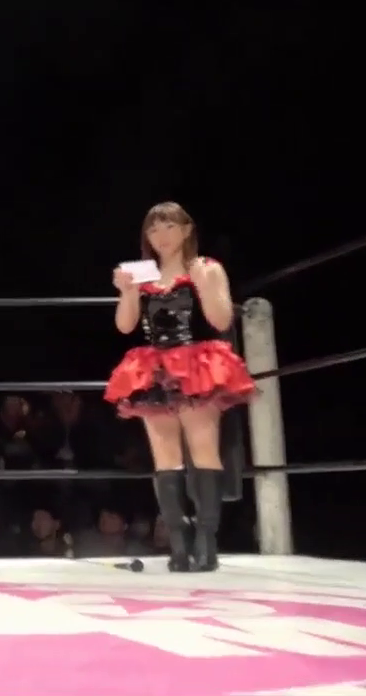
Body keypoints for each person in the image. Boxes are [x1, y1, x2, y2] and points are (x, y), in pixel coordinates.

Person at [104, 202, 256, 572]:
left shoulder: (205, 267)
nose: (161, 236)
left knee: (204, 449)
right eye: (154, 229)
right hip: (154, 366)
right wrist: (127, 291)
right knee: (165, 456)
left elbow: (221, 319)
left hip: (197, 363)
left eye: (169, 226)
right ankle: (178, 544)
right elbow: (124, 326)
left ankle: (206, 543)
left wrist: (203, 284)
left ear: (187, 230)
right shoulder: (143, 273)